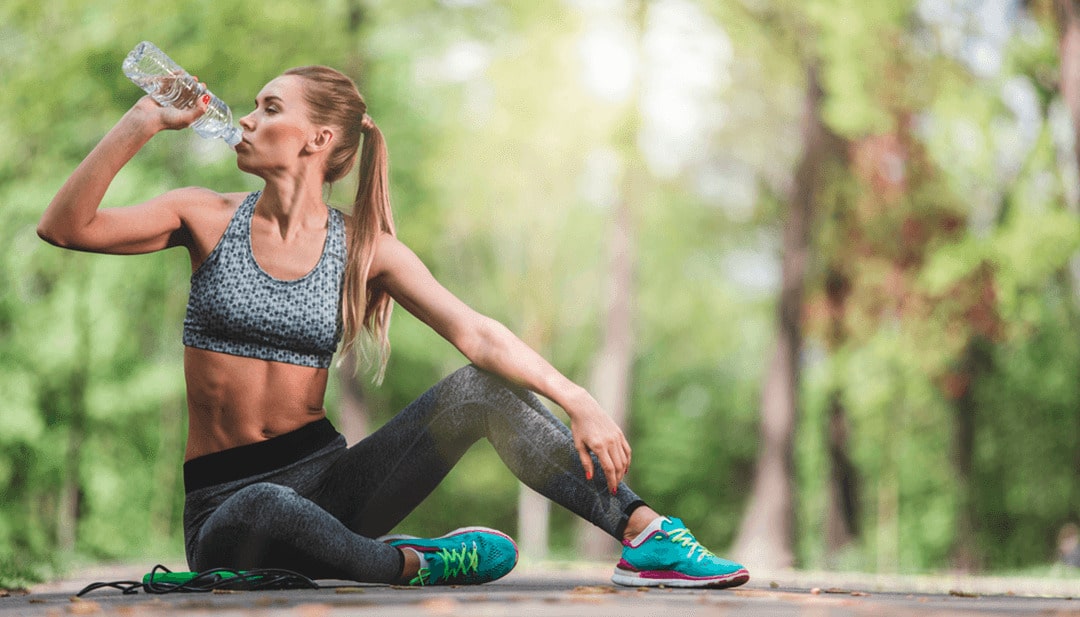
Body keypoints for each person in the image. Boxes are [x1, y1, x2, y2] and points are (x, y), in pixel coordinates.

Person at [37, 63, 750, 589]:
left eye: (268, 106)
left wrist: (579, 398)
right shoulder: (203, 214)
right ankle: (414, 563)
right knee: (270, 504)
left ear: (316, 137)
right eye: (252, 106)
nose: (246, 118)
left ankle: (647, 535)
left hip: (334, 482)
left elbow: (480, 336)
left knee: (477, 389)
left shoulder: (365, 249)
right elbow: (64, 227)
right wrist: (143, 120)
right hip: (230, 511)